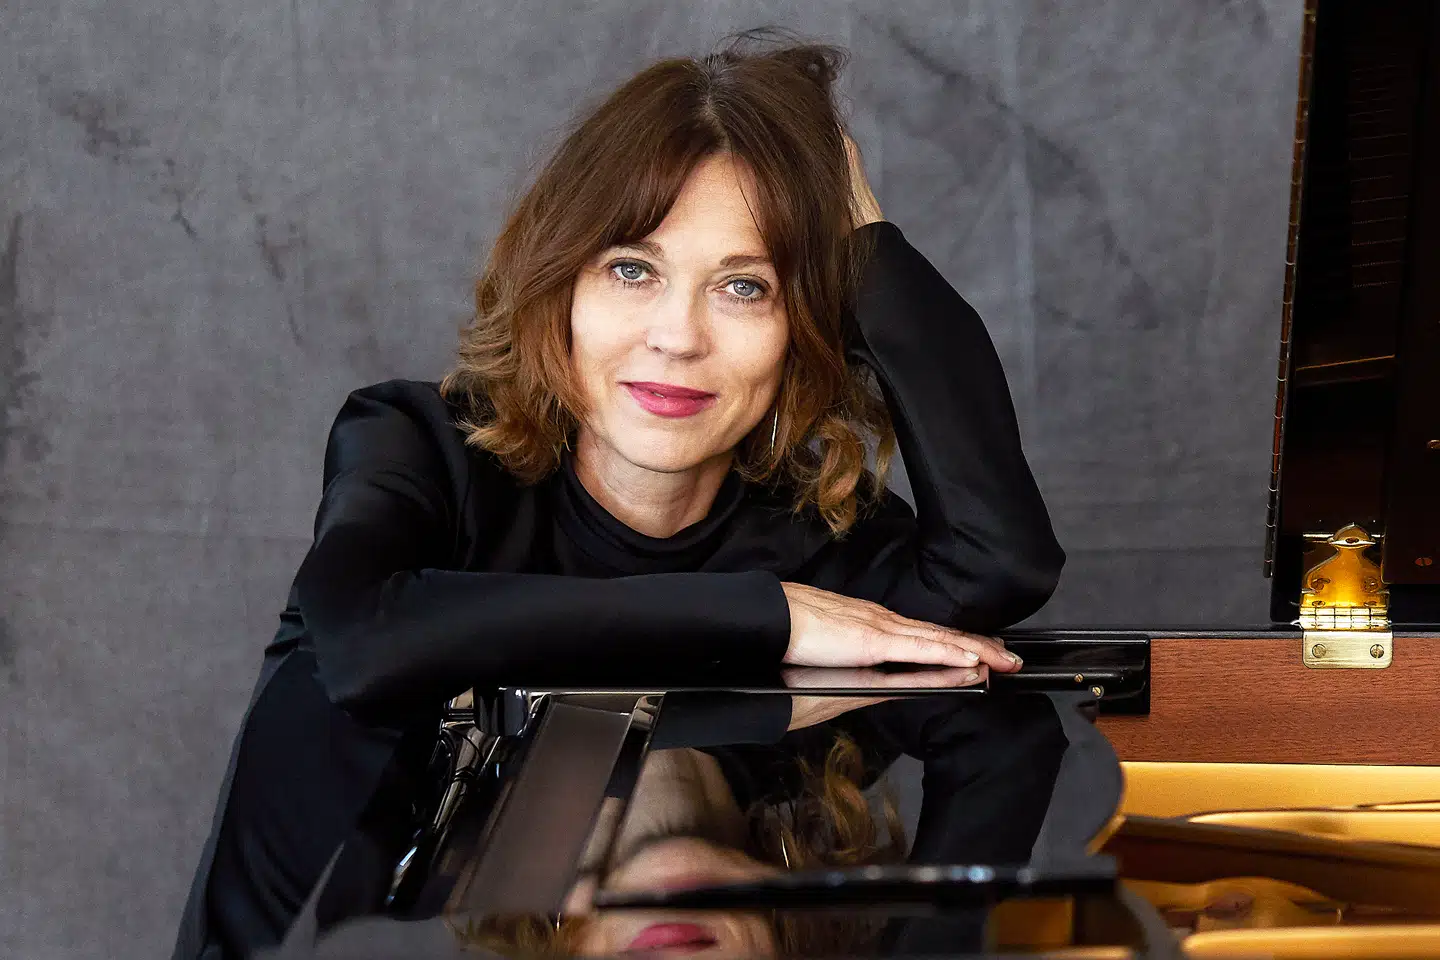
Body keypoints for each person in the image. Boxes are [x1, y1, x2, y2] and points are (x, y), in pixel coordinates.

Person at [171, 28, 1065, 960]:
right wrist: (767, 617)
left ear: (806, 332)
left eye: (746, 287)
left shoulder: (817, 541)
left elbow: (996, 566)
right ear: (558, 289)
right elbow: (362, 641)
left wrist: (866, 253)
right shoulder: (424, 449)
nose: (676, 337)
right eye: (632, 269)